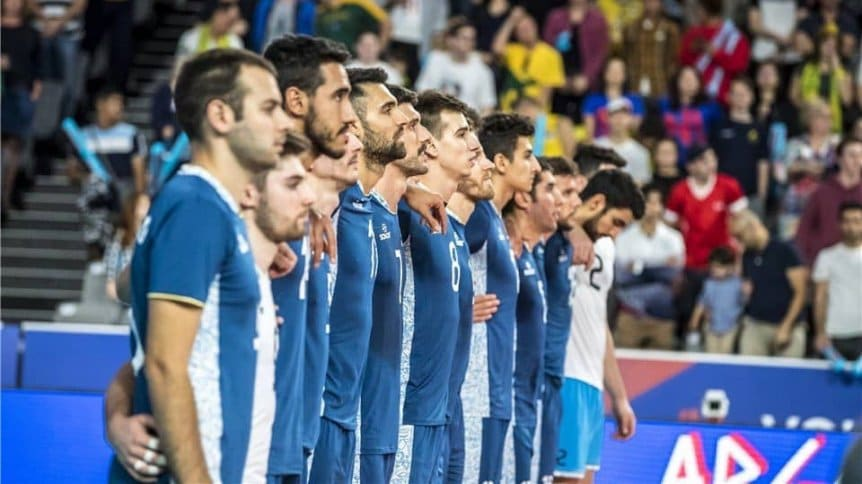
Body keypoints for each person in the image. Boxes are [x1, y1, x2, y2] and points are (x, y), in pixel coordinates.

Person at [117, 48, 290, 483]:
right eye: (269, 108)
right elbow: (163, 364)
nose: (283, 123)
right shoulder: (196, 206)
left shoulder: (210, 206)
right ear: (220, 115)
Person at [104, 133, 314, 483]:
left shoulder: (250, 283)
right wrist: (115, 421)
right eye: (294, 183)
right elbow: (150, 363)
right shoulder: (193, 212)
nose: (308, 196)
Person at [310, 67, 409, 483]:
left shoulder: (367, 208)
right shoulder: (328, 202)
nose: (403, 120)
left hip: (349, 417)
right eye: (389, 110)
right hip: (317, 415)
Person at [393, 90, 482, 482]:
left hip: (439, 409)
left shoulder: (452, 227)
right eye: (461, 134)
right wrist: (408, 188)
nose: (475, 144)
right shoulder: (403, 212)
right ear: (430, 145)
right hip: (405, 410)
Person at [357, 83, 432, 483]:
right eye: (412, 124)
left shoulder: (393, 215)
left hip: (391, 416)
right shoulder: (349, 211)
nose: (426, 139)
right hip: (352, 418)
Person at [462, 113, 539, 483]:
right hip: (477, 388)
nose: (535, 165)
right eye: (527, 155)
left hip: (497, 386)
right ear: (502, 162)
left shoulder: (492, 219)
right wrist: (460, 304)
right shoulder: (476, 215)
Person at [556, 169, 644, 482]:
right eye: (616, 222)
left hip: (591, 387)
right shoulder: (555, 233)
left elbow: (598, 323)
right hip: (563, 379)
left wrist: (619, 397)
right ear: (596, 202)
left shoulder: (605, 247)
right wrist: (574, 229)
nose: (616, 232)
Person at [444, 133, 496, 482]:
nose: (487, 164)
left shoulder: (466, 230)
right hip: (413, 404)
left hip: (458, 397)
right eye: (475, 154)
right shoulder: (422, 222)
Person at [504, 160, 560, 483]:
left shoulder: (532, 254)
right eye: (551, 190)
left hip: (530, 404)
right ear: (525, 198)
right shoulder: (507, 248)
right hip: (508, 407)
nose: (565, 202)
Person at [537, 155, 581, 482]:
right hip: (532, 376)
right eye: (563, 192)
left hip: (553, 374)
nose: (572, 203)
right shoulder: (544, 243)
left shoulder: (563, 240)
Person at [67, 87, 147, 260]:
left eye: (121, 103)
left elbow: (139, 170)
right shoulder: (83, 136)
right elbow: (72, 171)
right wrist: (87, 178)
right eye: (114, 102)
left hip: (123, 195)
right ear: (100, 105)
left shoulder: (131, 134)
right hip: (96, 199)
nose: (119, 107)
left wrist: (140, 196)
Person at [614, 184, 685, 350]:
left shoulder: (674, 238)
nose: (652, 207)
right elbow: (622, 277)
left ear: (662, 207)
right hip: (630, 315)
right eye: (648, 202)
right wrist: (660, 267)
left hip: (662, 317)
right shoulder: (624, 238)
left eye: (656, 202)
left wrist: (638, 267)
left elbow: (673, 277)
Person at [731, 210, 808, 358]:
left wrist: (786, 326)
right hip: (757, 324)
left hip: (788, 325)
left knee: (787, 378)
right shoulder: (747, 255)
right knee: (749, 374)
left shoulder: (785, 250)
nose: (738, 242)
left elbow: (800, 293)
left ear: (753, 227)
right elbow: (747, 286)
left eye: (740, 237)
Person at [1, 0, 41, 224]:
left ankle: (6, 196)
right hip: (1, 90)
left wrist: (35, 86)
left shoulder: (29, 32)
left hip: (20, 90)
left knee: (14, 146)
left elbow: (37, 63)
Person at [776, 100, 840, 240]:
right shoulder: (795, 143)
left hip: (827, 205)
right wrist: (805, 167)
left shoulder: (837, 144)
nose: (827, 121)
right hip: (795, 206)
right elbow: (781, 172)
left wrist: (823, 169)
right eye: (821, 117)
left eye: (829, 117)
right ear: (809, 119)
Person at [796, 137, 862, 265]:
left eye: (861, 156)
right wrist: (806, 261)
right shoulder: (822, 192)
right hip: (825, 264)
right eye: (852, 156)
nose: (858, 161)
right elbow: (804, 229)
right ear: (839, 159)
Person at [709, 76, 769, 216]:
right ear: (728, 97)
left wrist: (762, 194)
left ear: (752, 97)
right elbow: (711, 159)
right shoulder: (719, 126)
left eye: (744, 93)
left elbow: (763, 162)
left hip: (751, 195)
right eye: (736, 93)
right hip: (722, 194)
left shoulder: (759, 128)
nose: (741, 98)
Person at [415, 17, 497, 114]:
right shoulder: (435, 59)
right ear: (450, 40)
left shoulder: (483, 70)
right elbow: (421, 93)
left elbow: (487, 107)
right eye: (464, 38)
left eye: (472, 39)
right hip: (435, 119)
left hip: (468, 123)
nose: (469, 43)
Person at [813, 202, 862, 361]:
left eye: (856, 221)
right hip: (834, 334)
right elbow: (820, 297)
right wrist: (820, 332)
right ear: (840, 224)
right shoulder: (827, 257)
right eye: (847, 221)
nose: (852, 226)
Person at [493, 6, 565, 111]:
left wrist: (530, 111)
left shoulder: (551, 54)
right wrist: (511, 21)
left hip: (533, 112)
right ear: (516, 34)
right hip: (508, 111)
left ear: (536, 27)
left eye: (528, 27)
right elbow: (496, 49)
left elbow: (546, 94)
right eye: (521, 30)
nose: (526, 31)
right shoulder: (513, 50)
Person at [678, 0, 750, 104]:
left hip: (723, 99)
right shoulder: (693, 33)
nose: (696, 12)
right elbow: (683, 61)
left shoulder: (735, 36)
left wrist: (715, 53)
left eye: (698, 9)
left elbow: (739, 66)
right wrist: (692, 50)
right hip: (694, 97)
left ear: (704, 11)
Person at [789, 25, 853, 134]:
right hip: (807, 119)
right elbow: (793, 96)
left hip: (833, 123)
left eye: (833, 46)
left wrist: (837, 70)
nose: (829, 48)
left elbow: (846, 100)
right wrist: (809, 106)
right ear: (819, 45)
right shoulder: (804, 67)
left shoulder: (844, 70)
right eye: (826, 44)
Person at [28, 0, 86, 119]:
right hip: (39, 33)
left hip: (69, 34)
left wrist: (59, 22)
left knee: (69, 86)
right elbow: (29, 3)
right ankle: (37, 127)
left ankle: (65, 127)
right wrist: (46, 21)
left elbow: (81, 3)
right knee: (38, 85)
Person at [543, 0, 610, 96]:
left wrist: (587, 78)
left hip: (587, 83)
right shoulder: (555, 17)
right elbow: (547, 49)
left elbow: (599, 54)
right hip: (558, 82)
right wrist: (558, 77)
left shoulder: (598, 19)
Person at [686, 246, 746, 354]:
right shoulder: (709, 284)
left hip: (730, 328)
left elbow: (743, 303)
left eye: (718, 267)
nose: (714, 270)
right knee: (711, 354)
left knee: (725, 354)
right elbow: (702, 303)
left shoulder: (738, 284)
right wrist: (694, 320)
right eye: (712, 267)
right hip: (711, 327)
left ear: (730, 268)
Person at [659, 66, 721, 167]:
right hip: (671, 161)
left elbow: (718, 133)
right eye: (685, 79)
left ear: (699, 82)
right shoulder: (664, 103)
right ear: (677, 82)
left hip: (700, 162)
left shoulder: (710, 106)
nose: (689, 82)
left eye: (692, 79)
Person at [622, 0, 680, 99]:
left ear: (661, 4)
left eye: (655, 1)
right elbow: (626, 55)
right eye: (648, 1)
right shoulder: (631, 28)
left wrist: (669, 79)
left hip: (660, 85)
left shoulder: (670, 29)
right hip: (635, 83)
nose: (651, 4)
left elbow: (673, 57)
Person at [582, 57, 646, 141]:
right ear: (604, 73)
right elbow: (589, 132)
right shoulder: (592, 99)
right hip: (599, 148)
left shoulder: (635, 100)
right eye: (612, 70)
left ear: (625, 75)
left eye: (619, 70)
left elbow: (634, 129)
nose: (615, 73)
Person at [103, 192, 149, 301]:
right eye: (143, 205)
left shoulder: (153, 236)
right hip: (124, 297)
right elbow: (111, 278)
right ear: (133, 208)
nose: (148, 208)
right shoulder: (120, 238)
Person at [594, 97, 651, 185]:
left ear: (631, 119)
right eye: (614, 114)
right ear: (607, 119)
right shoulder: (595, 147)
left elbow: (640, 185)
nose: (619, 119)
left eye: (624, 114)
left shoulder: (641, 152)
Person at [315, 0, 390, 56]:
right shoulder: (320, 12)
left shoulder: (359, 2)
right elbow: (320, 38)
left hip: (359, 58)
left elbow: (385, 23)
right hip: (333, 58)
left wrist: (381, 47)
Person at [175, 0, 244, 60]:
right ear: (212, 8)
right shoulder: (190, 39)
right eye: (225, 7)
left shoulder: (235, 42)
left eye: (236, 6)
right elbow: (179, 72)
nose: (232, 14)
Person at [512, 95, 576, 159]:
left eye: (527, 107)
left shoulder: (560, 122)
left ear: (537, 107)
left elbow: (571, 153)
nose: (526, 112)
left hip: (558, 166)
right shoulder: (520, 134)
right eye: (521, 110)